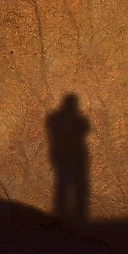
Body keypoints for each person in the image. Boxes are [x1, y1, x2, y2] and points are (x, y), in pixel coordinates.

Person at [46, 93, 90, 223]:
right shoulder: (75, 119)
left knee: (63, 184)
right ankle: (75, 217)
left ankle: (61, 216)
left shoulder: (53, 117)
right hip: (72, 154)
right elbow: (85, 127)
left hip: (60, 155)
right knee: (76, 185)